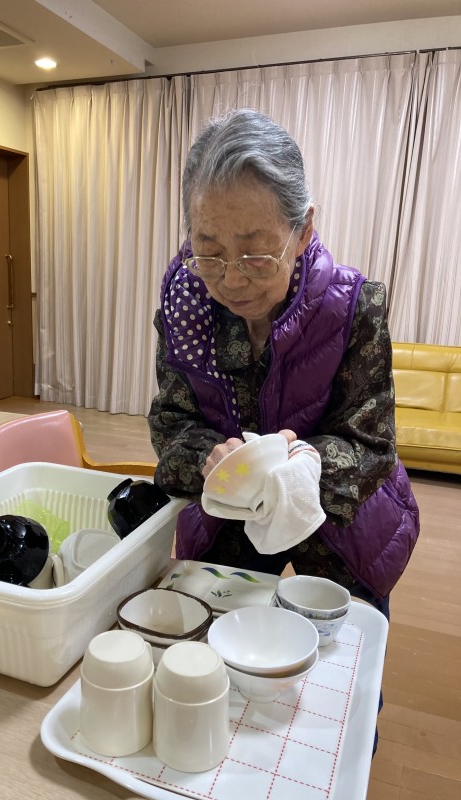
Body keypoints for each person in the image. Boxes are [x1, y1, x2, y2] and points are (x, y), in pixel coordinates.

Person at [148, 107, 420, 629]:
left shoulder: (354, 306)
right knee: (222, 648)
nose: (231, 281)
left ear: (302, 231)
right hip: (229, 525)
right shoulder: (186, 308)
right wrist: (211, 459)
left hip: (341, 533)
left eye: (256, 256)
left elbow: (371, 445)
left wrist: (292, 467)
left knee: (342, 656)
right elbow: (171, 421)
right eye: (209, 253)